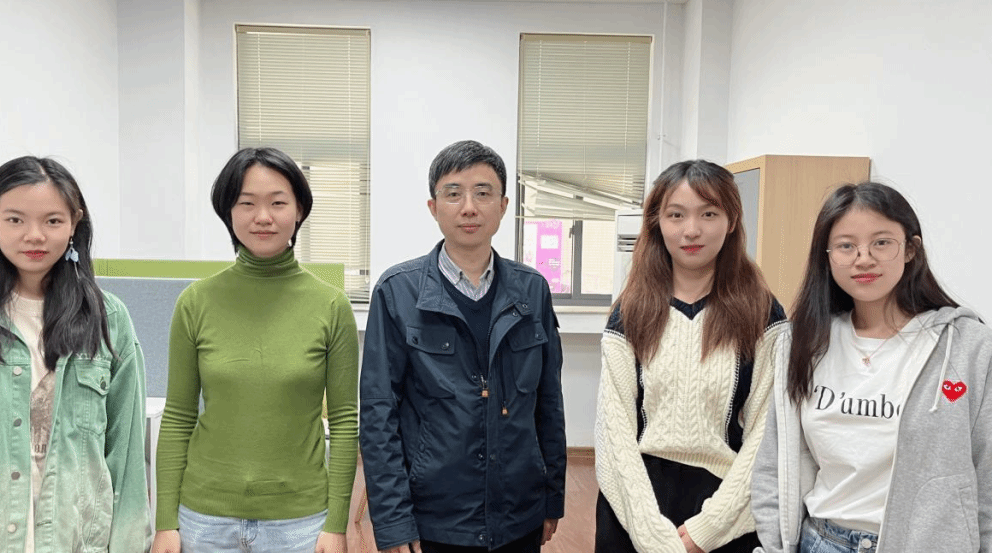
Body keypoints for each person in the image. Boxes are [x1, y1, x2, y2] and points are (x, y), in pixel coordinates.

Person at [0, 156, 150, 551]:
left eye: (52, 221)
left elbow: (126, 459)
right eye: (15, 220)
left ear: (74, 223)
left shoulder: (108, 319)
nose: (34, 236)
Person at [751, 182, 992, 553]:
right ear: (827, 256)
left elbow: (986, 469)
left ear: (910, 249)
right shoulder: (802, 343)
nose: (863, 259)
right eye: (846, 246)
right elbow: (774, 462)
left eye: (881, 242)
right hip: (821, 542)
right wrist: (773, 545)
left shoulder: (966, 346)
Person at [359, 140, 566, 553]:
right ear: (433, 207)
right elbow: (379, 414)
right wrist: (394, 521)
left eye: (483, 193)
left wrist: (552, 497)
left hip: (518, 516)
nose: (469, 207)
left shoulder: (532, 290)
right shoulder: (397, 292)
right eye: (453, 193)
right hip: (435, 521)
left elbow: (549, 403)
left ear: (503, 206)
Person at [152, 147, 358, 553]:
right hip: (204, 521)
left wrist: (336, 525)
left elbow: (345, 421)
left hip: (300, 523)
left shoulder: (331, 306)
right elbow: (177, 418)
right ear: (228, 212)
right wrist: (165, 523)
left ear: (299, 210)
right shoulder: (196, 302)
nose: (263, 217)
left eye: (278, 203)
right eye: (246, 203)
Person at [596, 159, 786, 553]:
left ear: (732, 221)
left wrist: (710, 528)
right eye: (676, 215)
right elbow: (614, 433)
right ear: (657, 222)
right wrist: (651, 534)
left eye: (709, 214)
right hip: (635, 505)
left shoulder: (762, 313)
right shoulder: (629, 313)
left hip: (727, 510)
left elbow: (767, 434)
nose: (691, 230)